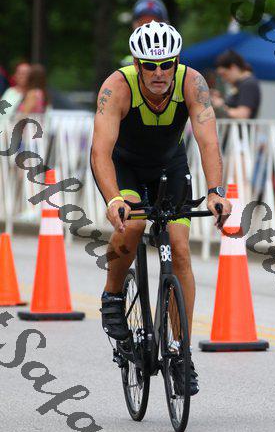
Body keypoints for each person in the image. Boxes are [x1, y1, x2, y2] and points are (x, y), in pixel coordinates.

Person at [91, 21, 232, 395]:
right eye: (149, 65)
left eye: (166, 64)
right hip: (125, 168)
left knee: (180, 250)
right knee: (134, 225)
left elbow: (208, 141)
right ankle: (113, 295)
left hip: (169, 166)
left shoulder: (192, 83)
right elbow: (100, 151)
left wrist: (216, 192)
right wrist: (114, 199)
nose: (158, 73)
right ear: (137, 64)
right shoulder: (117, 87)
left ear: (176, 62)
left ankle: (180, 352)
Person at [120, 0, 170, 67]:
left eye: (154, 23)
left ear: (166, 25)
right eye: (142, 23)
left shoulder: (178, 59)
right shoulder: (127, 63)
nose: (147, 27)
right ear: (133, 25)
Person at [211, 50, 261, 119]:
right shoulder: (241, 84)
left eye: (224, 74)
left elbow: (242, 115)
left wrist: (221, 106)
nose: (223, 79)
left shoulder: (248, 84)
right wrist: (221, 101)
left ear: (233, 68)